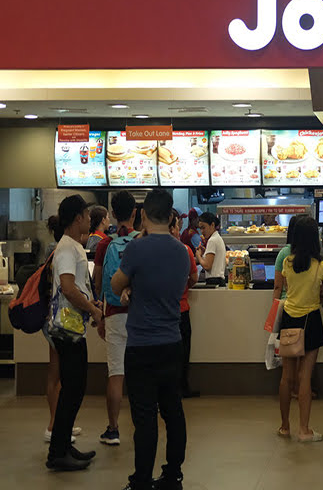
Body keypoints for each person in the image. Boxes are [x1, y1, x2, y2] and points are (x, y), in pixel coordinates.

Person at [111, 189, 193, 490]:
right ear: (171, 216)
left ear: (143, 215)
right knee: (173, 412)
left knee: (145, 417)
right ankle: (173, 476)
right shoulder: (181, 251)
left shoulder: (137, 248)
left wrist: (130, 286)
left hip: (141, 345)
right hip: (172, 342)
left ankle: (141, 481)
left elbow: (115, 284)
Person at [46, 194, 102, 471]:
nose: (90, 219)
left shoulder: (72, 246)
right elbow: (68, 288)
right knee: (73, 389)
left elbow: (76, 286)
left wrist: (91, 303)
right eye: (87, 215)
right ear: (78, 218)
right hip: (67, 329)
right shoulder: (68, 248)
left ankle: (63, 446)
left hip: (73, 327)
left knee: (74, 388)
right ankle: (57, 453)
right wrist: (91, 309)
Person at [277, 216, 323, 442]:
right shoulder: (321, 266)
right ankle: (304, 430)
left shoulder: (287, 263)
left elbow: (286, 287)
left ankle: (284, 427)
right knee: (305, 376)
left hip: (289, 319)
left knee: (286, 376)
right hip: (311, 321)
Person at [93, 191, 138, 446]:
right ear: (135, 213)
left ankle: (113, 429)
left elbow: (99, 283)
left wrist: (100, 315)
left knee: (116, 373)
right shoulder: (142, 241)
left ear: (112, 213)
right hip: (140, 315)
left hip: (114, 314)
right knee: (142, 372)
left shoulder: (104, 244)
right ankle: (143, 423)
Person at [42, 215, 81, 445]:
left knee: (58, 373)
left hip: (52, 318)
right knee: (57, 375)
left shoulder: (53, 250)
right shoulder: (61, 251)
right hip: (57, 320)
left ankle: (59, 422)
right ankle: (53, 424)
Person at [169, 209, 199, 398]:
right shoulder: (185, 250)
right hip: (181, 310)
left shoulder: (149, 249)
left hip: (159, 311)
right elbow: (194, 277)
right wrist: (185, 286)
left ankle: (166, 390)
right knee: (182, 351)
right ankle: (182, 388)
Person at [273, 215, 302, 300]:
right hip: (306, 302)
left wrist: (274, 305)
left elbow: (278, 287)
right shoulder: (311, 254)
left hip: (286, 302)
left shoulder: (284, 253)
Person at [195, 212, 226, 286]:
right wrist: (204, 254)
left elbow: (207, 266)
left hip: (214, 281)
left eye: (203, 228)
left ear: (212, 225)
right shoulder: (217, 238)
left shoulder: (212, 240)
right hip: (219, 281)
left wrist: (198, 256)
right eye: (200, 228)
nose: (202, 231)